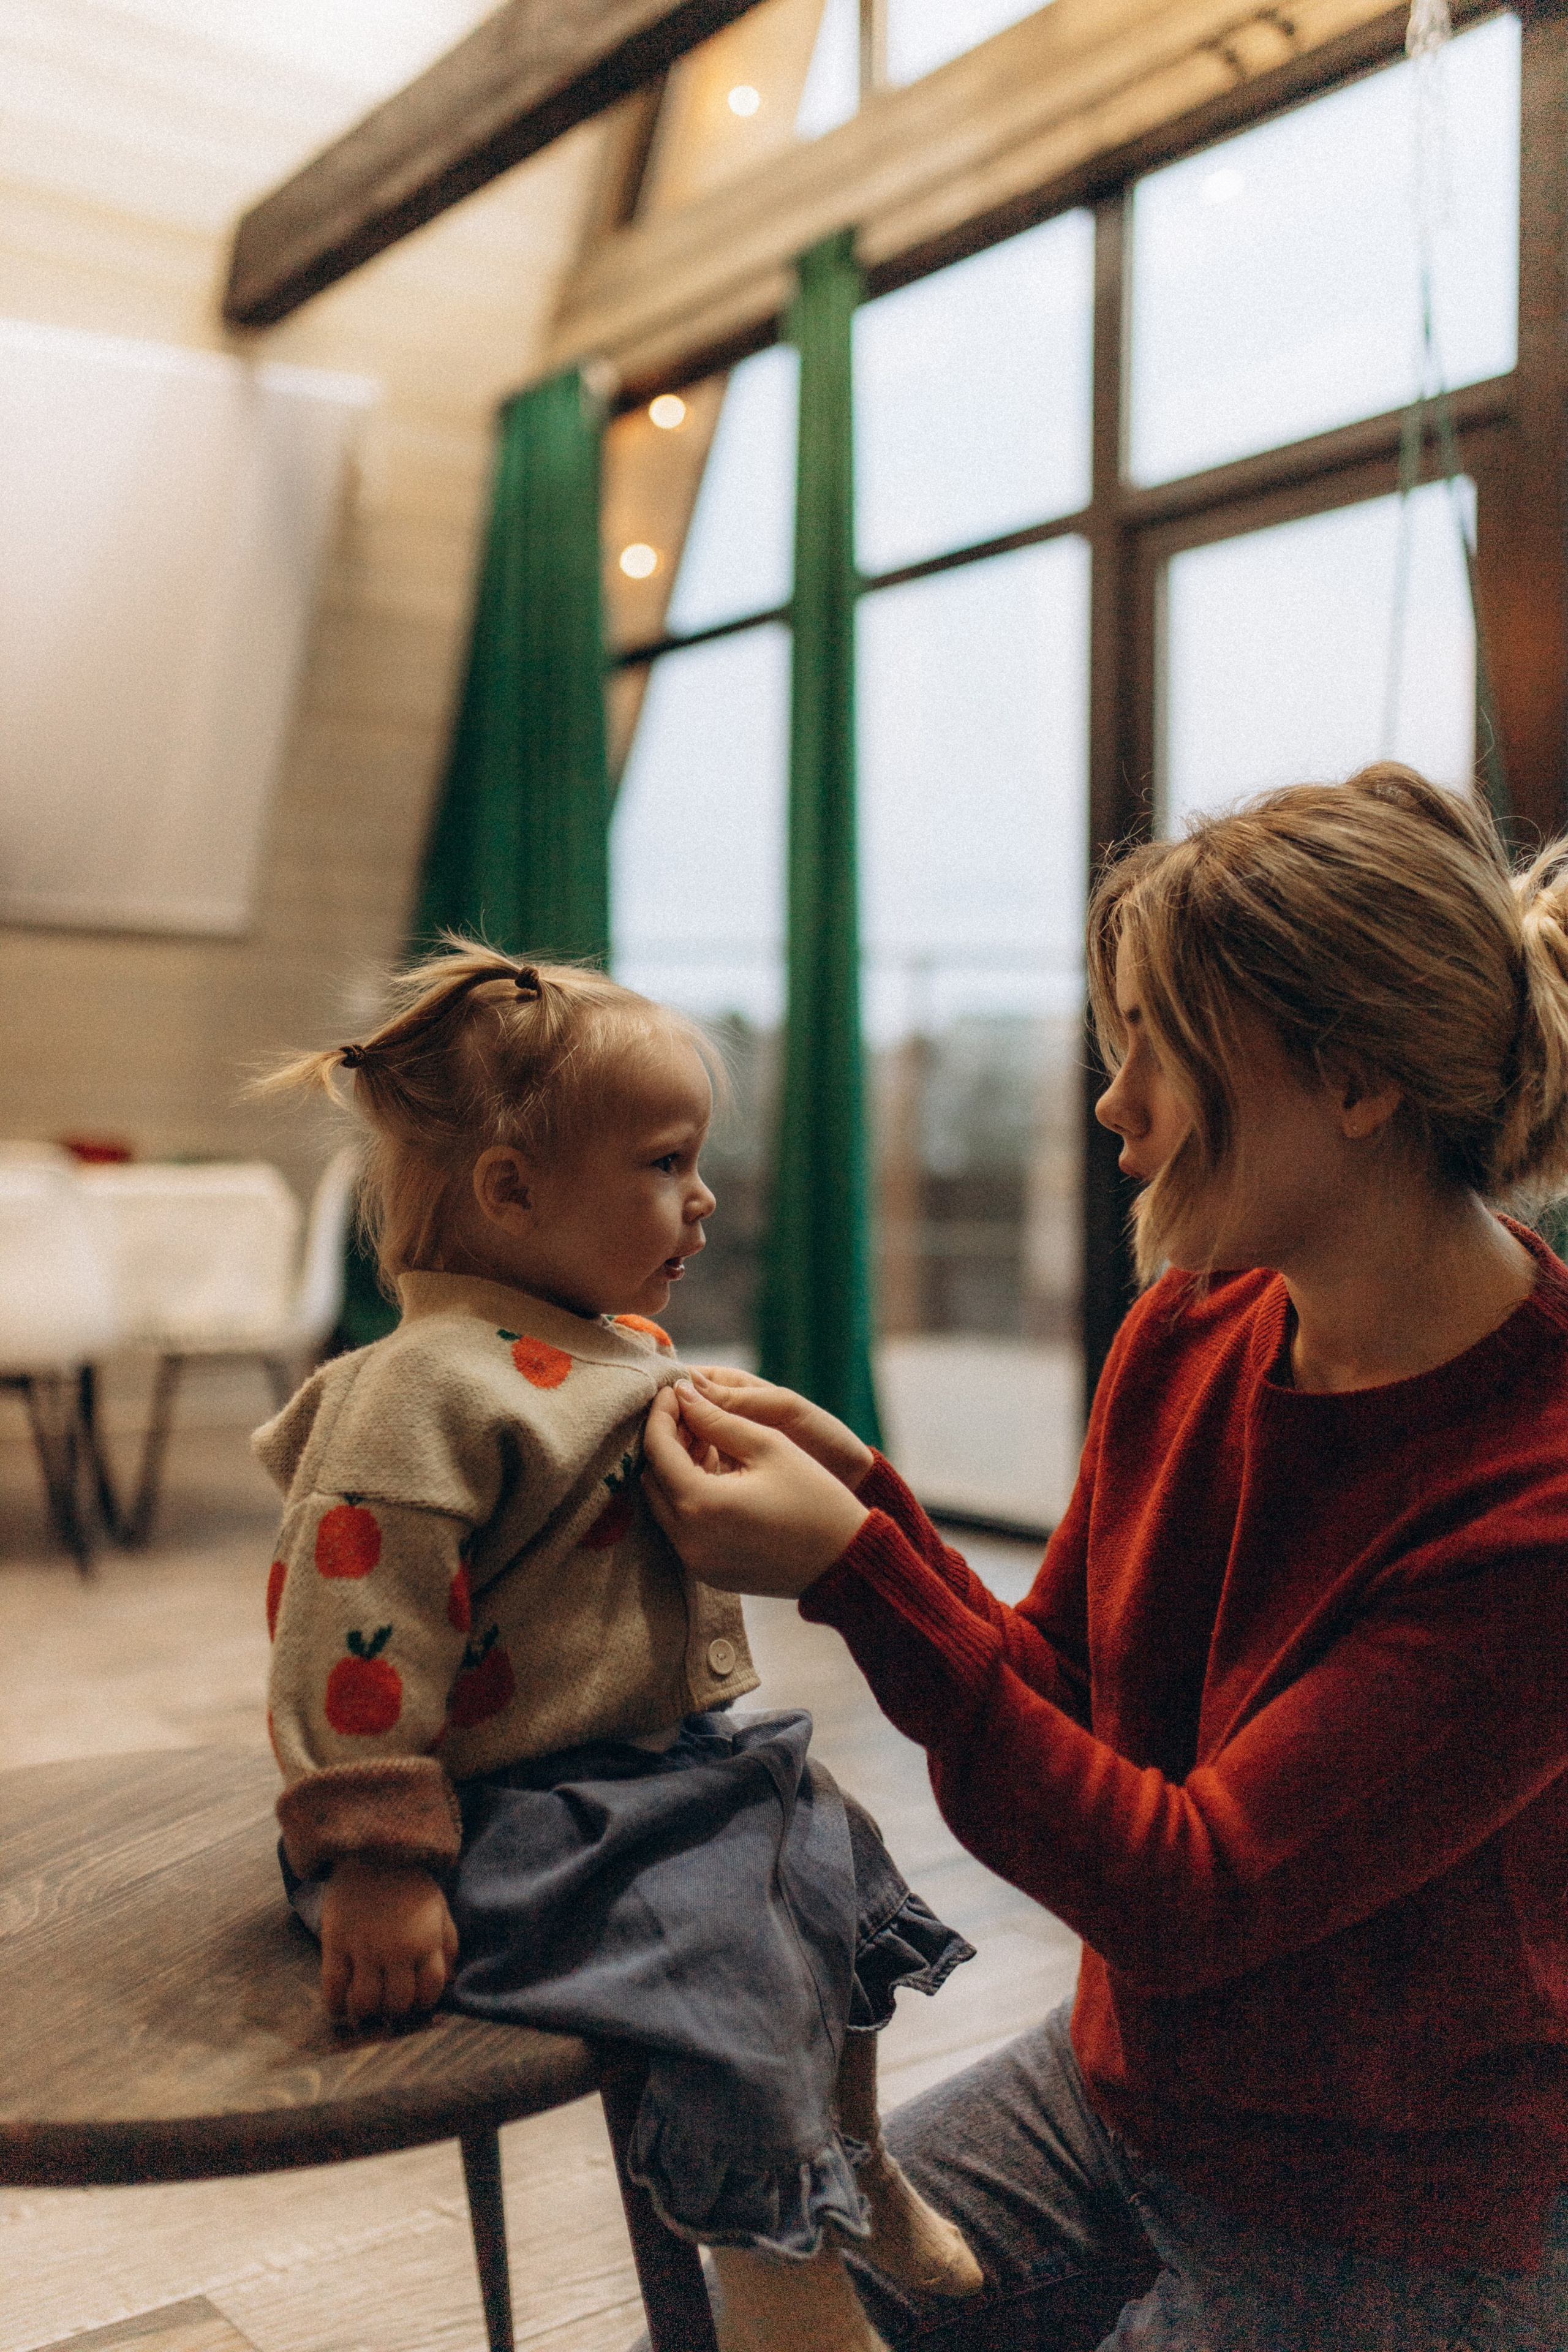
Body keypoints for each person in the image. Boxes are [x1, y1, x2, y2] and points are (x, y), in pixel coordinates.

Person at [642, 766, 1568, 2350]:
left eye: (1154, 1045)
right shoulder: (1199, 1320)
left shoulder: (1537, 1509)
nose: (1111, 1102)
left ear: (1353, 1080)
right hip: (1133, 2088)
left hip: (1398, 2206)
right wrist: (880, 1507)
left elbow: (1185, 1890)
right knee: (722, 2311)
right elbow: (1070, 1679)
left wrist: (862, 1573)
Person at [254, 945, 982, 2352]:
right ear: (510, 1192)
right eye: (664, 1163)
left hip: (653, 1767)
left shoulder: (600, 1348)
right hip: (512, 1816)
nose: (700, 1199)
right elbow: (350, 1644)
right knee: (720, 1967)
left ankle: (851, 2165)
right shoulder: (414, 1397)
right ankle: (783, 2293)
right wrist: (380, 1859)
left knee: (834, 1872)